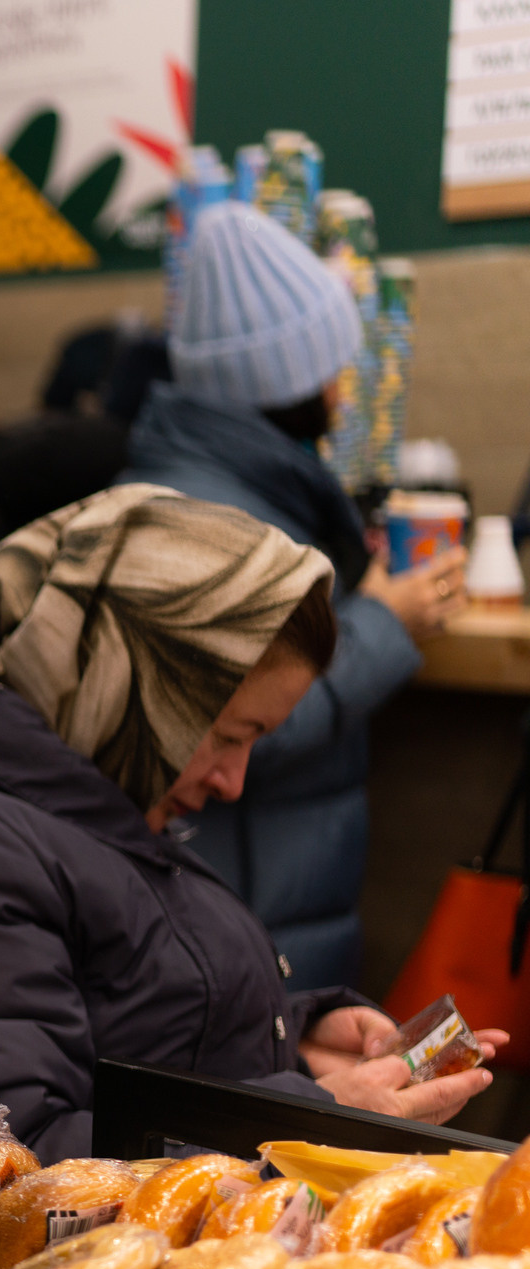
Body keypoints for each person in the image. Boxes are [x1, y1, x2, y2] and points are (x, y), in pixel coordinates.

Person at [0, 486, 506, 1230]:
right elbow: (0, 1193)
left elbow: (110, 1014)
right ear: (130, 688)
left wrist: (291, 1038)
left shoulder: (74, 781)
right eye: (229, 735)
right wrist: (309, 1126)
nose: (233, 781)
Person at [121, 200, 467, 990]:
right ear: (286, 379)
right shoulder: (204, 514)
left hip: (257, 920)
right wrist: (383, 625)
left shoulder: (228, 486)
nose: (343, 393)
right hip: (233, 940)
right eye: (331, 368)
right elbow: (218, 733)